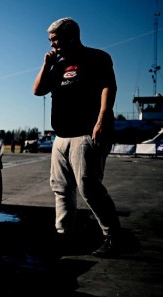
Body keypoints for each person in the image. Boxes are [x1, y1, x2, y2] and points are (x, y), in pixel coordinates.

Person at [33, 17, 137, 257]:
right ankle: (64, 235)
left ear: (71, 36)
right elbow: (38, 90)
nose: (52, 45)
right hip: (61, 137)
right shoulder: (58, 64)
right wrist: (46, 65)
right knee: (61, 188)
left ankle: (113, 237)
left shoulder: (97, 58)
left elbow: (108, 87)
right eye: (50, 40)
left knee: (89, 188)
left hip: (86, 134)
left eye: (55, 39)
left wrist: (102, 119)